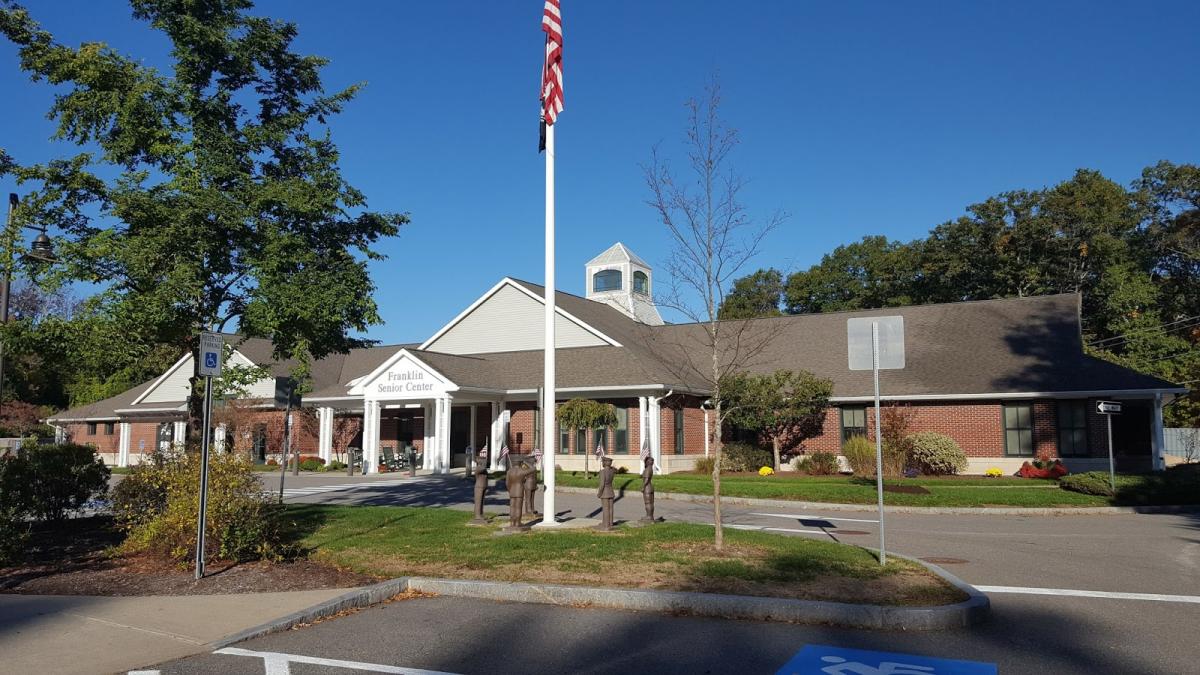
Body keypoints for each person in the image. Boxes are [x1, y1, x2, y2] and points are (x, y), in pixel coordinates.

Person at [506, 459, 533, 529]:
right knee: (518, 507)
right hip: (519, 490)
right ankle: (517, 522)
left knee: (512, 507)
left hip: (512, 490)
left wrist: (510, 490)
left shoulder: (509, 471)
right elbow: (533, 469)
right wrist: (525, 462)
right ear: (520, 463)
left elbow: (507, 483)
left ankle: (512, 522)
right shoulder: (522, 471)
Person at [471, 446, 489, 524]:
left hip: (483, 486)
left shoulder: (483, 468)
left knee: (482, 501)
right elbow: (483, 469)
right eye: (482, 459)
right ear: (478, 461)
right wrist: (484, 463)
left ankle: (481, 514)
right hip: (479, 487)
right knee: (478, 501)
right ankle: (477, 515)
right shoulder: (479, 468)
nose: (484, 460)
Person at [596, 456, 615, 531]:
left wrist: (599, 493)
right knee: (610, 508)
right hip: (611, 491)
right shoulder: (612, 471)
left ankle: (606, 526)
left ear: (604, 463)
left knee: (606, 509)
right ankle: (610, 523)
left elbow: (602, 484)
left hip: (605, 492)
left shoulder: (602, 472)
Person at [640, 455, 655, 523]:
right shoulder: (651, 469)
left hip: (647, 488)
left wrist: (643, 487)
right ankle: (650, 516)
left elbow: (646, 479)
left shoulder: (647, 470)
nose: (645, 462)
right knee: (651, 503)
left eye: (646, 461)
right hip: (650, 487)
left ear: (647, 462)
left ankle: (649, 516)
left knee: (648, 503)